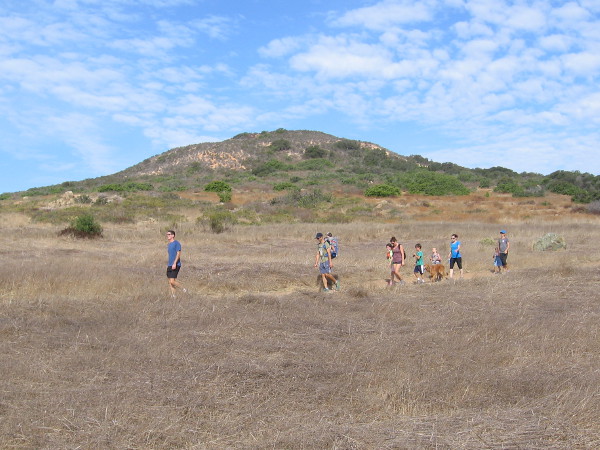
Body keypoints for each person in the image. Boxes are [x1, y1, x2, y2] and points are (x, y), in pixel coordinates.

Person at [166, 230, 186, 298]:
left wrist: (174, 263)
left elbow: (178, 253)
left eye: (169, 234)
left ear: (173, 235)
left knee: (172, 281)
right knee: (170, 282)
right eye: (167, 234)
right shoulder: (169, 244)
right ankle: (173, 296)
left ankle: (184, 289)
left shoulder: (176, 243)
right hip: (169, 265)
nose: (167, 236)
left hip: (176, 264)